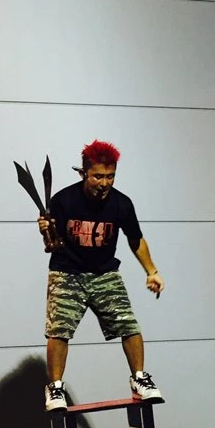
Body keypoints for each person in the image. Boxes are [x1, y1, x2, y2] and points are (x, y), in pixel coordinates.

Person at [37, 140, 165, 411]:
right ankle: (55, 388)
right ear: (83, 173)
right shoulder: (63, 200)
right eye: (98, 176)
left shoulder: (121, 204)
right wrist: (46, 230)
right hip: (67, 271)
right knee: (59, 329)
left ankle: (139, 379)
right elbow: (52, 245)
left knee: (129, 324)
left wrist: (151, 271)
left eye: (110, 176)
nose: (104, 183)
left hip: (104, 272)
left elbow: (135, 239)